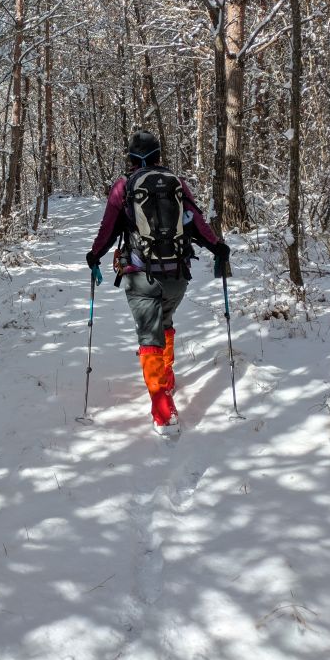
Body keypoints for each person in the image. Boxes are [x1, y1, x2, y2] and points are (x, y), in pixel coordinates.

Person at [85, 130, 230, 435]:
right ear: (158, 155)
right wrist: (218, 247)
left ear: (131, 157)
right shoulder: (176, 183)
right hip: (177, 274)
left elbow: (109, 229)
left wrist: (94, 255)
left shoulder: (124, 187)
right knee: (165, 323)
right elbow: (197, 223)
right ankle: (167, 376)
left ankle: (162, 409)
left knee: (148, 335)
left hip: (140, 274)